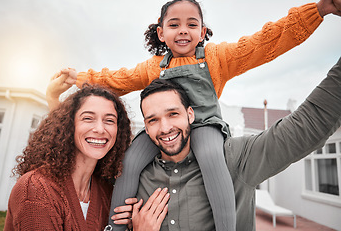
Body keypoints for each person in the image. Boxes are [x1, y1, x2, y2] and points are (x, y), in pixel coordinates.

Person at [46, 0, 341, 230]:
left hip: (206, 128)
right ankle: (115, 227)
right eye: (174, 25)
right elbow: (117, 80)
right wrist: (79, 78)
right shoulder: (153, 67)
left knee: (212, 158)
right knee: (131, 160)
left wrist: (317, 10)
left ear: (202, 30)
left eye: (191, 24)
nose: (183, 31)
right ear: (161, 33)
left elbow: (264, 44)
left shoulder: (216, 57)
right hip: (163, 134)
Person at [115, 56, 341, 231]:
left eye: (173, 114)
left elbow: (306, 126)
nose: (164, 128)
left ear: (190, 114)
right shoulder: (134, 173)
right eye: (153, 120)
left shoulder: (234, 158)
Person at [4, 85, 134, 230]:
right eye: (88, 118)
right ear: (69, 125)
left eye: (109, 120)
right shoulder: (36, 189)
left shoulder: (106, 191)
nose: (100, 129)